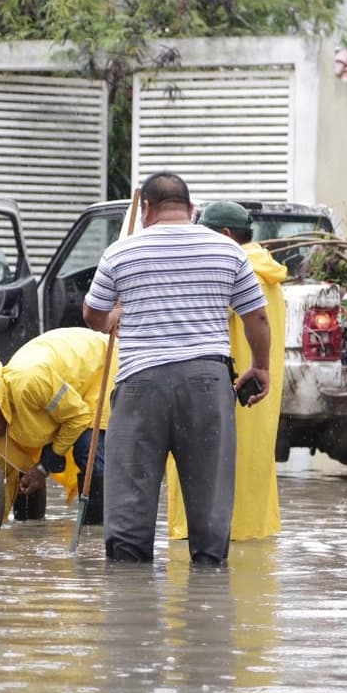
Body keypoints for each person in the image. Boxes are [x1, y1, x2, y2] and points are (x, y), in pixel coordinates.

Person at [83, 172, 272, 565]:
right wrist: (260, 366)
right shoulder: (228, 251)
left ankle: (131, 607)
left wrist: (114, 316)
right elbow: (257, 318)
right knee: (210, 511)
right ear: (191, 209)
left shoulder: (121, 252)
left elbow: (92, 313)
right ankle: (208, 605)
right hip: (207, 385)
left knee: (129, 520)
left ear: (146, 209)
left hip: (139, 387)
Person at [166, 201, 286, 542]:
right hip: (257, 400)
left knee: (204, 476)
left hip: (220, 395)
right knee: (249, 478)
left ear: (225, 235)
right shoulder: (270, 277)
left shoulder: (232, 271)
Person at [0, 327, 116, 524]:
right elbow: (0, 478)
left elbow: (78, 417)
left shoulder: (29, 383)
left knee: (88, 450)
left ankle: (94, 532)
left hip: (100, 367)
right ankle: (31, 526)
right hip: (64, 384)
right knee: (25, 466)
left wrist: (44, 468)